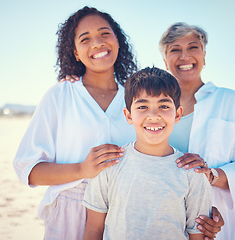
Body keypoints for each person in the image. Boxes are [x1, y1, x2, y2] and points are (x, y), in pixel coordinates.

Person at [13, 6, 137, 240]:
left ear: (118, 41)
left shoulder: (136, 98)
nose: (97, 43)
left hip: (127, 210)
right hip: (71, 212)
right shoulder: (60, 95)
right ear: (76, 53)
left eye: (104, 34)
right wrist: (82, 169)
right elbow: (27, 169)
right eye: (85, 39)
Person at [158, 22, 235, 239]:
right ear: (165, 60)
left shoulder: (229, 101)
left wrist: (211, 175)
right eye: (175, 50)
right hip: (159, 217)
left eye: (193, 47)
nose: (185, 56)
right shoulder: (152, 105)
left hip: (209, 221)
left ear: (204, 56)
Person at [83, 67, 212, 240]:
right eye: (143, 106)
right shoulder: (110, 166)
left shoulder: (192, 173)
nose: (153, 115)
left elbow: (198, 236)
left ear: (178, 114)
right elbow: (93, 230)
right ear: (128, 116)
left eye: (164, 106)